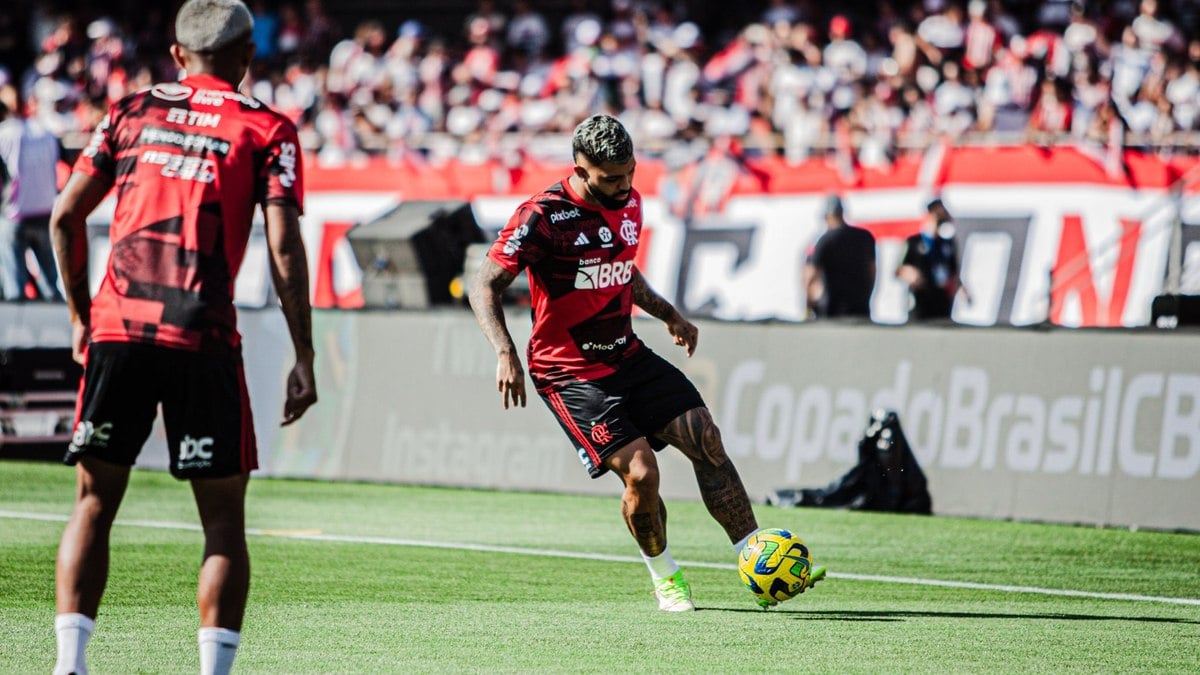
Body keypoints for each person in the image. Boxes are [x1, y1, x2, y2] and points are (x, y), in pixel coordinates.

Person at [48, 2, 317, 673]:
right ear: (249, 54)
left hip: (118, 327)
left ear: (175, 55)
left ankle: (69, 664)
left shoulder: (129, 111)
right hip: (203, 334)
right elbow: (284, 248)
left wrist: (82, 316)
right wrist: (304, 353)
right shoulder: (267, 127)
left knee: (93, 501)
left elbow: (62, 216)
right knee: (222, 520)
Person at [468, 114, 824, 612]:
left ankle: (756, 556)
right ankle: (666, 576)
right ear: (580, 168)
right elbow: (483, 283)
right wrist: (505, 351)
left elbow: (622, 270)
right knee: (642, 473)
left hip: (628, 354)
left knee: (705, 435)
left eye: (629, 172)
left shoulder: (630, 200)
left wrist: (669, 314)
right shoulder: (542, 217)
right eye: (610, 177)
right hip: (569, 371)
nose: (623, 185)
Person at [0, 84, 63, 301]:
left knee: (14, 289)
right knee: (50, 285)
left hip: (15, 215)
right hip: (44, 211)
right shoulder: (46, 132)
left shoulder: (5, 133)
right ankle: (55, 330)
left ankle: (15, 334)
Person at [803, 194, 876, 319]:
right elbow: (872, 272)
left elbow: (810, 276)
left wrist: (807, 307)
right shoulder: (865, 237)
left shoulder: (825, 240)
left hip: (832, 311)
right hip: (860, 310)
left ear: (827, 217)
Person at [896, 198, 966, 321]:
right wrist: (910, 274)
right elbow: (899, 270)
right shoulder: (914, 241)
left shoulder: (947, 243)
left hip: (942, 299)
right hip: (921, 298)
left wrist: (961, 289)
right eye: (938, 214)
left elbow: (953, 271)